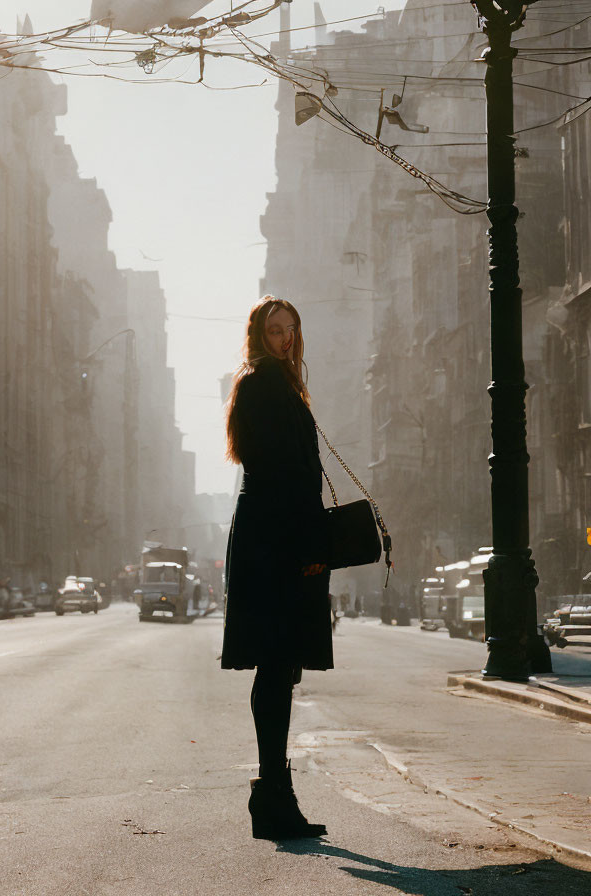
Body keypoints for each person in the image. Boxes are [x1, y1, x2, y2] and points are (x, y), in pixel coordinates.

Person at [222, 296, 331, 840]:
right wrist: (306, 543)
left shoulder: (278, 382)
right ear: (257, 334)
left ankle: (273, 794)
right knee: (276, 665)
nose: (285, 339)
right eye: (274, 330)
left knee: (280, 667)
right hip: (275, 541)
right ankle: (272, 796)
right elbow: (275, 470)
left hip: (277, 535)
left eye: (291, 329)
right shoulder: (263, 383)